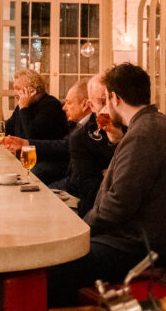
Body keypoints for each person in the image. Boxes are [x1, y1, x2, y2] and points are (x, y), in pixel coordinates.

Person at [48, 63, 166, 307]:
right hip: (152, 240)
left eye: (105, 99)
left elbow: (118, 204)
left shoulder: (143, 134)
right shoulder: (160, 125)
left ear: (114, 97)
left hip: (138, 247)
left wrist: (81, 232)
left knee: (52, 269)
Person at [51, 76, 123, 216]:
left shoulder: (132, 126)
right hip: (96, 208)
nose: (109, 108)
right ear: (91, 106)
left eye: (113, 100)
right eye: (102, 102)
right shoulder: (81, 137)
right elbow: (89, 192)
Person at [2, 69, 70, 184]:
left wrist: (23, 107)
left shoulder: (51, 105)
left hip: (50, 160)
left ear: (32, 90)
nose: (14, 93)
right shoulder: (23, 106)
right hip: (32, 158)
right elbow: (7, 128)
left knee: (28, 174)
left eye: (18, 89)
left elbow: (32, 136)